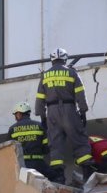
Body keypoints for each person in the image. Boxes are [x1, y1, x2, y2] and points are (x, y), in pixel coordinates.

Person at [34, 48, 93, 185]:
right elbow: (80, 93)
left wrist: (42, 117)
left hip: (52, 112)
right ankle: (87, 173)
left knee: (55, 144)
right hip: (70, 109)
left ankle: (60, 178)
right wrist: (83, 111)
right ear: (65, 59)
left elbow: (40, 98)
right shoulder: (71, 72)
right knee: (79, 140)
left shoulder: (45, 75)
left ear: (52, 60)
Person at [8, 101, 48, 177]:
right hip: (39, 165)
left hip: (22, 166)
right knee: (53, 179)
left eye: (16, 114)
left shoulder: (12, 129)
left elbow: (8, 151)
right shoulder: (39, 126)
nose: (15, 117)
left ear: (19, 114)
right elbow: (46, 148)